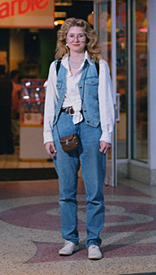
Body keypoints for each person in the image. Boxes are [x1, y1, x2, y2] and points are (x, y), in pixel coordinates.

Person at [43, 17, 115, 261]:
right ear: (65, 39)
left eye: (80, 36)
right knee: (66, 190)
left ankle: (93, 242)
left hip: (92, 128)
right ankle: (70, 239)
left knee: (94, 189)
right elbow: (50, 104)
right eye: (71, 36)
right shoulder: (55, 67)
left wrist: (107, 133)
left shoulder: (98, 65)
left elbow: (106, 100)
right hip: (63, 127)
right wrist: (47, 136)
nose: (76, 40)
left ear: (87, 39)